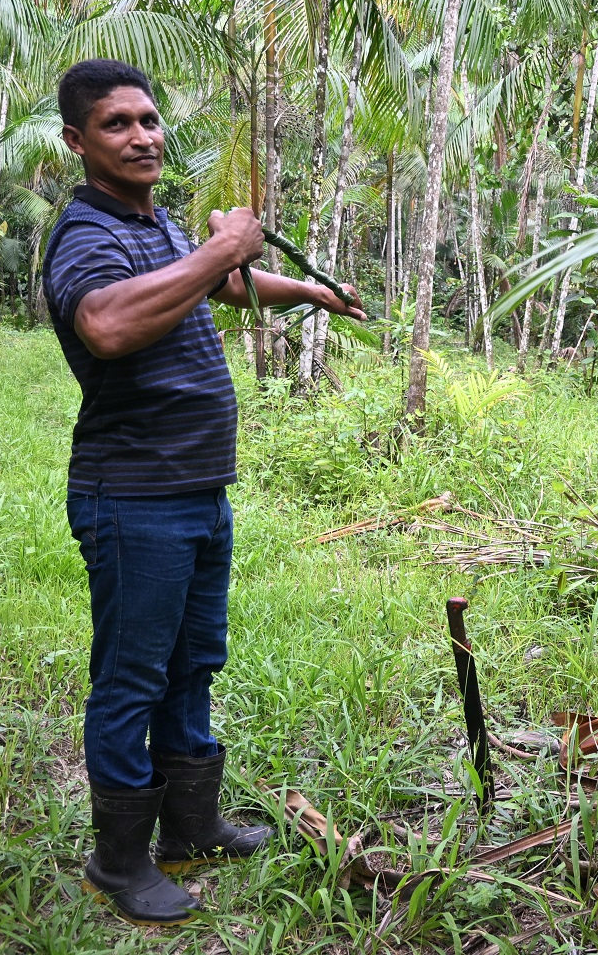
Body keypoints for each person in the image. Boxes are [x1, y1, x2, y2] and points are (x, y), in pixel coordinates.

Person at [43, 58, 365, 927]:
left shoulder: (157, 223)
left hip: (197, 493)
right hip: (134, 498)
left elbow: (218, 284)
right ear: (78, 141)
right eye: (117, 124)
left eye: (149, 119)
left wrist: (310, 292)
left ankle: (191, 828)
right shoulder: (86, 232)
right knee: (131, 678)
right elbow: (108, 323)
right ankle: (118, 862)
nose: (143, 135)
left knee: (193, 665)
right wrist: (224, 245)